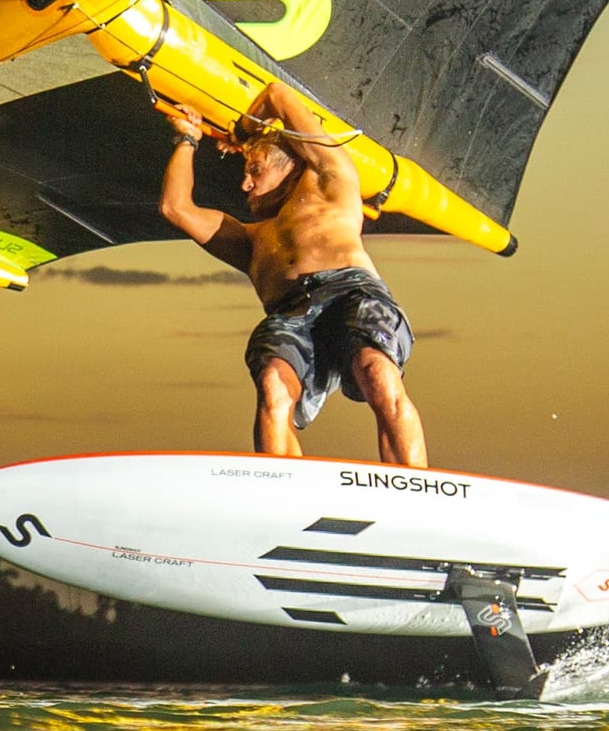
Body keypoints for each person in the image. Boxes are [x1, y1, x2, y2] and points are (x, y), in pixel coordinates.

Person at [158, 80, 427, 467]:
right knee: (273, 383)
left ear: (291, 164)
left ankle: (410, 479)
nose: (245, 183)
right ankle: (283, 483)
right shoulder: (250, 237)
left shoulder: (330, 178)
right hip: (290, 311)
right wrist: (188, 138)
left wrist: (240, 134)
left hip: (350, 291)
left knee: (377, 372)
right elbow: (175, 208)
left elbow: (277, 94)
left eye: (255, 169)